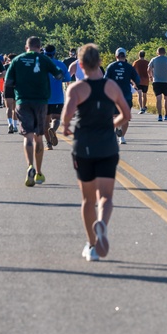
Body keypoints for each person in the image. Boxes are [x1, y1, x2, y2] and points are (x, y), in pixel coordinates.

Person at [61, 44, 131, 261]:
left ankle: (91, 246)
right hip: (107, 146)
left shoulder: (76, 88)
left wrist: (65, 127)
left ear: (80, 65)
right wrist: (113, 125)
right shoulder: (111, 86)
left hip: (84, 146)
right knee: (106, 197)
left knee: (87, 199)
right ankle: (102, 222)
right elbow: (126, 114)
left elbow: (67, 117)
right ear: (100, 63)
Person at [6, 37, 64, 186]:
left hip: (23, 101)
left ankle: (29, 166)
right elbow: (58, 75)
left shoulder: (17, 60)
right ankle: (38, 172)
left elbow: (9, 82)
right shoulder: (44, 59)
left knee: (28, 136)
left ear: (26, 47)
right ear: (40, 47)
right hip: (41, 102)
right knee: (39, 137)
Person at [104, 48, 140, 144]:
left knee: (112, 116)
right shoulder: (129, 67)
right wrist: (135, 85)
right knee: (125, 117)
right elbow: (137, 79)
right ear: (125, 56)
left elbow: (104, 80)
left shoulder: (111, 66)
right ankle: (122, 137)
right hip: (126, 96)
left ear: (116, 56)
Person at [43, 45, 70, 150]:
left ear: (44, 53)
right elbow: (66, 78)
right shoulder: (61, 65)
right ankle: (53, 130)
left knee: (45, 122)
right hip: (57, 97)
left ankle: (49, 144)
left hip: (44, 98)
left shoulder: (41, 65)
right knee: (56, 118)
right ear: (54, 53)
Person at [2, 55, 18, 133]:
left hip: (7, 86)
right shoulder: (18, 66)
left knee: (8, 107)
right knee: (15, 108)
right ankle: (15, 126)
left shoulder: (5, 66)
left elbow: (2, 75)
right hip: (16, 87)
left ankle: (9, 123)